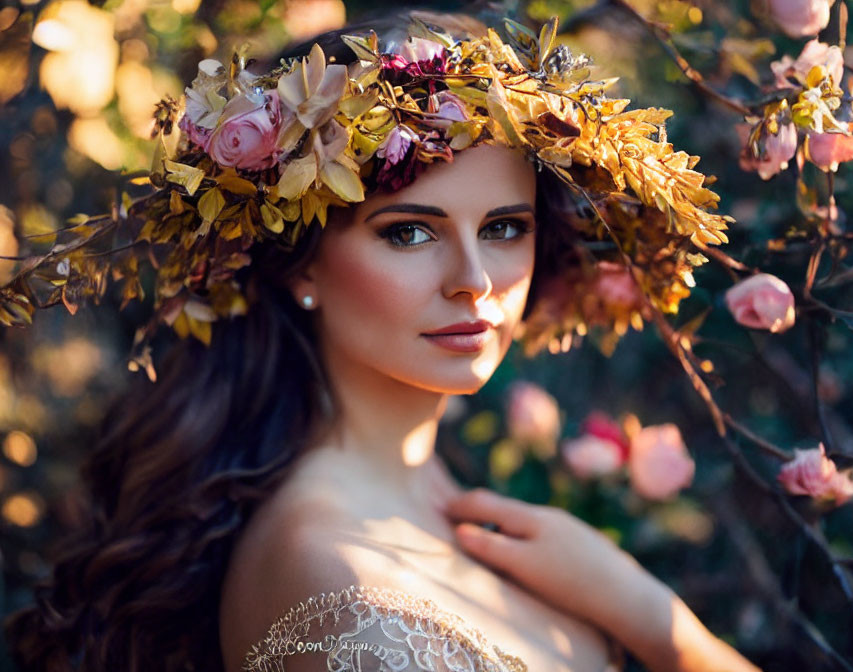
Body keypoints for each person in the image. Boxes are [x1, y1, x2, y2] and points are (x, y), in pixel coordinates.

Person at [2, 7, 756, 672]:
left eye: (503, 228)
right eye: (409, 233)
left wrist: (651, 618)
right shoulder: (342, 589)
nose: (475, 281)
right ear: (302, 266)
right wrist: (664, 638)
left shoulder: (439, 495)